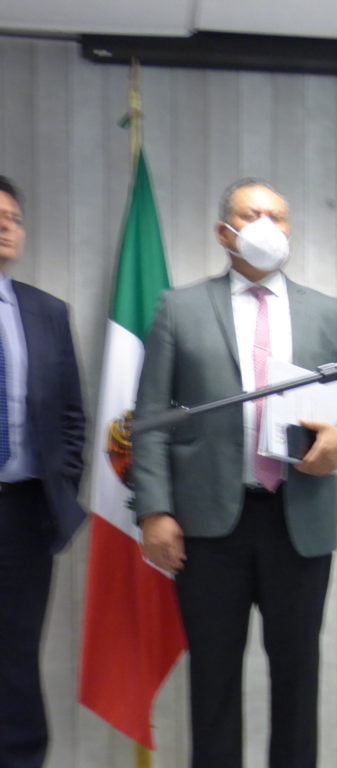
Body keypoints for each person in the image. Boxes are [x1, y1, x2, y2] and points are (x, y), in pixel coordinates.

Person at [132, 178, 337, 768]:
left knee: (298, 676)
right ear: (224, 232)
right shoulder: (179, 309)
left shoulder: (331, 313)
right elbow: (150, 417)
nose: (267, 225)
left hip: (300, 518)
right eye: (251, 214)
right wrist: (154, 510)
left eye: (277, 216)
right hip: (208, 525)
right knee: (213, 679)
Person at [0, 175, 86, 768]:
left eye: (13, 218)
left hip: (24, 511)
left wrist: (63, 490)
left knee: (16, 657)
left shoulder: (46, 312)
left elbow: (72, 416)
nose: (6, 226)